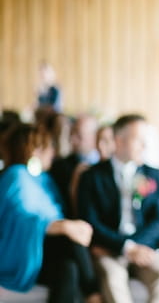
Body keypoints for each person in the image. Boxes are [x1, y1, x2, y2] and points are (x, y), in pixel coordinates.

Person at [77, 114, 159, 303]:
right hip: (110, 250)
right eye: (138, 140)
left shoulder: (154, 175)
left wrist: (137, 246)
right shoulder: (92, 176)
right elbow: (90, 221)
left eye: (145, 140)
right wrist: (126, 247)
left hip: (145, 248)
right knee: (113, 280)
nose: (143, 146)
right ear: (119, 141)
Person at [0, 123, 101, 302]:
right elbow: (20, 217)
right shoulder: (15, 175)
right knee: (68, 239)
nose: (53, 153)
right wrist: (61, 226)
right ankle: (94, 293)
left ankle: (93, 294)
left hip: (47, 252)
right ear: (35, 150)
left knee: (68, 267)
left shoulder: (45, 179)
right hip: (23, 252)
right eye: (49, 147)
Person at [50, 114, 100, 217]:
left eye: (79, 135)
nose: (72, 139)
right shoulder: (59, 167)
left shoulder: (108, 163)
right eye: (72, 133)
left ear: (95, 137)